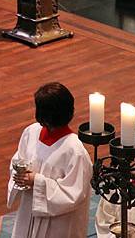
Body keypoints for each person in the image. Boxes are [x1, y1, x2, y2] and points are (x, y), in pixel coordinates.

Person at [6, 82, 92, 238]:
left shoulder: (74, 150)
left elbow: (74, 194)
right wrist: (20, 174)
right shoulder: (31, 133)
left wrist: (36, 181)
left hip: (59, 224)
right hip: (29, 210)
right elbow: (18, 160)